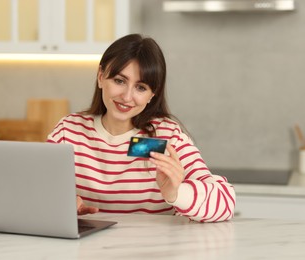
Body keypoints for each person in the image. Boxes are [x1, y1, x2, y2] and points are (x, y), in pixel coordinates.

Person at [47, 33, 235, 222]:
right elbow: (33, 193)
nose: (127, 97)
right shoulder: (69, 132)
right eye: (119, 81)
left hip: (153, 250)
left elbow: (226, 202)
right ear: (101, 76)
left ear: (153, 94)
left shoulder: (165, 137)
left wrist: (176, 193)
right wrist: (57, 205)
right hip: (84, 249)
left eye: (141, 87)